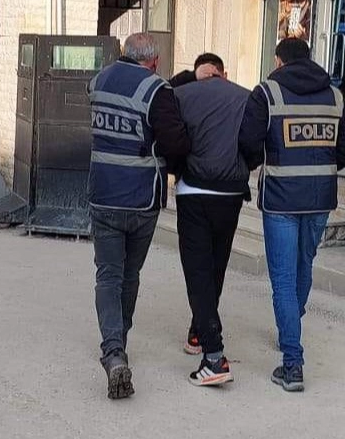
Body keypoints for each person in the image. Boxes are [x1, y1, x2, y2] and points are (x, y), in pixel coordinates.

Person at [239, 38, 345, 392]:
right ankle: (290, 327)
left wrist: (260, 164)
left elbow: (248, 143)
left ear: (280, 61)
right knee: (303, 266)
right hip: (320, 198)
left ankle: (292, 363)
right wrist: (323, 168)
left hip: (281, 199)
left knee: (282, 279)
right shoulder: (335, 96)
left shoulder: (267, 93)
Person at [87, 33, 190, 399]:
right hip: (141, 198)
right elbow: (176, 143)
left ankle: (113, 351)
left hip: (103, 194)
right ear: (154, 61)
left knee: (108, 275)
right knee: (129, 274)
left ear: (124, 53)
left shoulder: (99, 81)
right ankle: (119, 343)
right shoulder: (157, 91)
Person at [173, 54, 251, 386]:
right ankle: (198, 331)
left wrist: (178, 169)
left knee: (197, 270)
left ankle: (214, 356)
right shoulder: (246, 97)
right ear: (224, 72)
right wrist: (242, 169)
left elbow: (169, 132)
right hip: (231, 193)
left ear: (198, 72)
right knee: (216, 266)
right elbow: (254, 144)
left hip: (193, 191)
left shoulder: (181, 94)